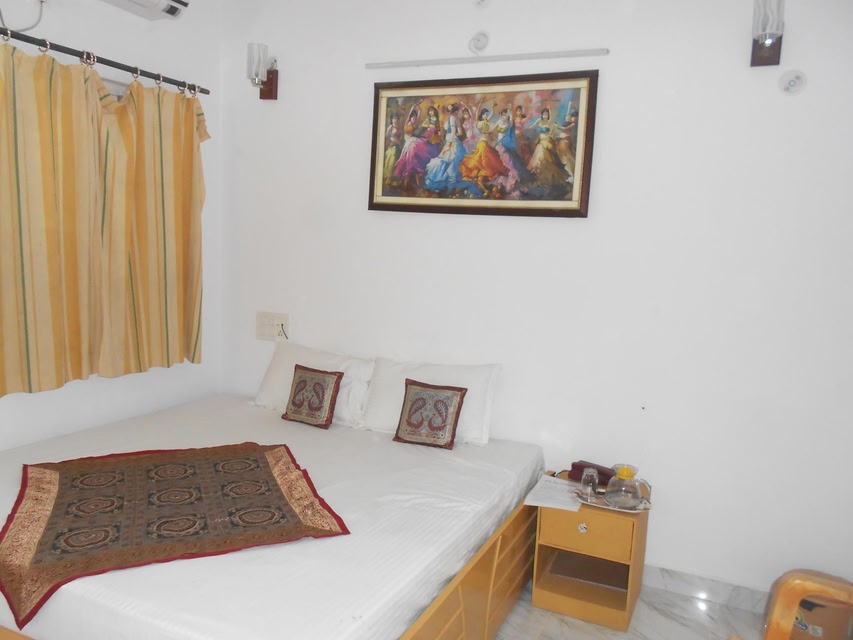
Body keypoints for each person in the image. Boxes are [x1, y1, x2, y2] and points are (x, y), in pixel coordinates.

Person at [459, 107, 508, 192]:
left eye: (487, 114)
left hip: (485, 142)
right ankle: (482, 176)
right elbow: (478, 123)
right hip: (482, 142)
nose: (486, 116)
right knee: (484, 160)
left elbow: (490, 119)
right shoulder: (480, 123)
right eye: (485, 114)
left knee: (487, 159)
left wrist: (493, 112)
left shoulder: (486, 122)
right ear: (482, 115)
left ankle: (483, 178)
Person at [424, 103, 467, 193]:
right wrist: (451, 135)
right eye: (450, 111)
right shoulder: (456, 119)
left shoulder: (452, 119)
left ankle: (447, 184)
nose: (451, 113)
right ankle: (449, 184)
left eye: (451, 111)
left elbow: (454, 132)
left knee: (448, 161)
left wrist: (451, 135)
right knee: (450, 161)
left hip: (451, 141)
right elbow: (460, 133)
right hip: (452, 141)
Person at [526, 107, 570, 187]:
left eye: (546, 114)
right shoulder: (539, 121)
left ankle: (549, 178)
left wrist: (565, 128)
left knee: (548, 159)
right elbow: (532, 126)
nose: (545, 116)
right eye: (544, 114)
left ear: (548, 115)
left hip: (548, 141)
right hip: (541, 142)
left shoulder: (550, 122)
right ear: (542, 115)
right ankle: (539, 177)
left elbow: (556, 127)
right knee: (539, 158)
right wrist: (527, 127)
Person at [383, 113, 402, 187]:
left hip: (398, 146)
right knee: (391, 160)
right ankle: (388, 178)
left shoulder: (399, 128)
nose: (395, 120)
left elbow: (400, 137)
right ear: (392, 120)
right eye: (393, 119)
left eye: (396, 119)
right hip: (392, 145)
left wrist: (399, 142)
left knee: (397, 161)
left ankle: (395, 179)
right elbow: (387, 136)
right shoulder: (390, 127)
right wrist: (392, 140)